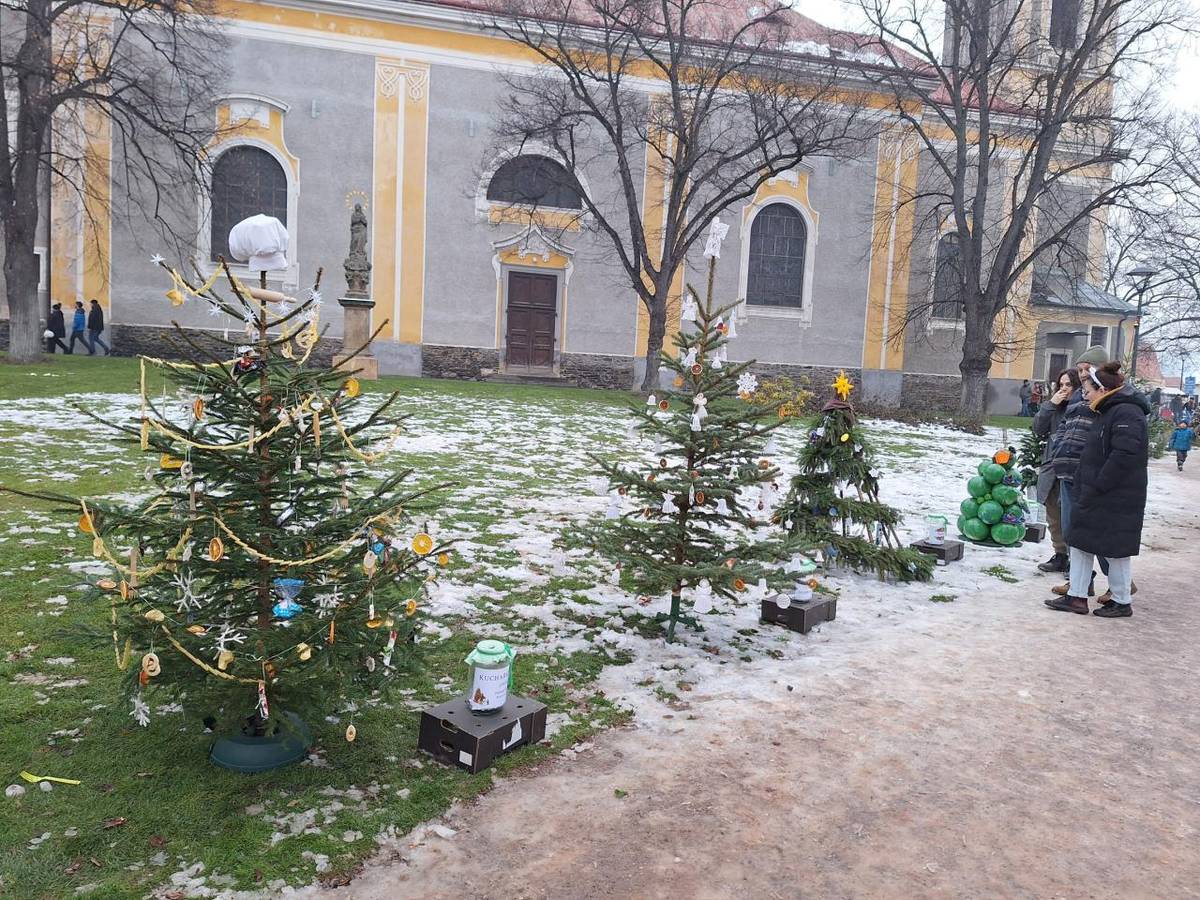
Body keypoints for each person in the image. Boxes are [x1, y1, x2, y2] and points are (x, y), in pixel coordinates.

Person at [1046, 362, 1148, 618]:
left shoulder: (1126, 412)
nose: (1085, 394)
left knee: (1115, 549)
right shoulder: (1108, 410)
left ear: (1102, 389)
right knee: (1079, 542)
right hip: (1097, 491)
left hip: (1114, 495)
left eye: (1089, 389)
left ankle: (1121, 600)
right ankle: (1077, 597)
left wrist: (1098, 484)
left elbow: (1124, 455)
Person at [1032, 367, 1082, 573]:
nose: (1064, 389)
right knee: (1053, 515)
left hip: (1072, 469)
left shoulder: (1082, 407)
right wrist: (1049, 405)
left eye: (1068, 385)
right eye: (1060, 385)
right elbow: (1037, 428)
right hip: (1051, 467)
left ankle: (1076, 561)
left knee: (1069, 516)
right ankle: (1060, 554)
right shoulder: (1054, 407)